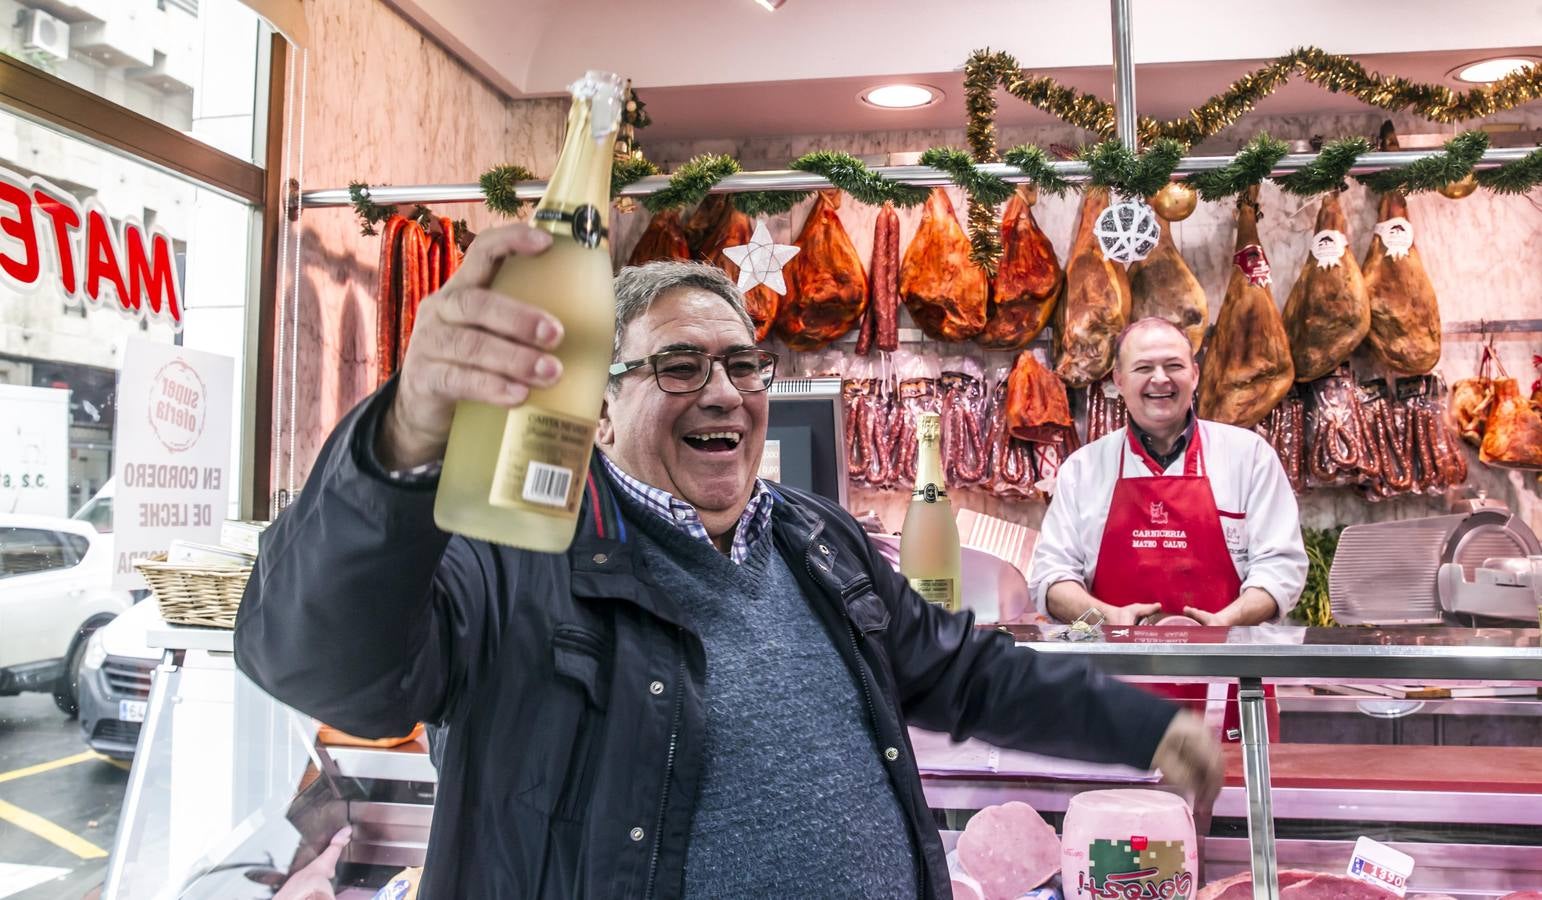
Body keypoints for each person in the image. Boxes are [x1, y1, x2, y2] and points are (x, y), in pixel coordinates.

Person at [235, 226, 1223, 899]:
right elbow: (326, 669)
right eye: (678, 366)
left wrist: (1142, 726)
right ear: (599, 402)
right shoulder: (515, 553)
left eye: (742, 365)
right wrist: (402, 440)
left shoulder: (814, 538)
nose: (723, 392)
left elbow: (959, 669)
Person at [1028, 316, 1309, 733]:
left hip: (1228, 693)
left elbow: (1282, 570)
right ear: (1118, 380)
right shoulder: (1084, 469)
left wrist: (1226, 621)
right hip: (1112, 696)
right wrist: (1107, 617)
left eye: (1174, 365)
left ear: (1194, 374)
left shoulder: (1248, 456)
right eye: (1143, 368)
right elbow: (1050, 580)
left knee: (1232, 795)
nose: (1160, 379)